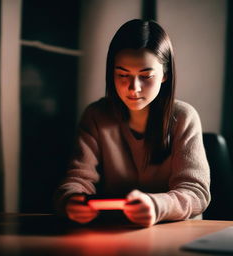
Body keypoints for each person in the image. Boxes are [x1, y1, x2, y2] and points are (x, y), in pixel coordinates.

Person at [55, 19, 210, 227]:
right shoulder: (96, 116)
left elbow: (195, 193)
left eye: (146, 76)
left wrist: (156, 205)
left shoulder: (183, 117)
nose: (133, 88)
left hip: (176, 233)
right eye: (122, 75)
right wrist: (71, 200)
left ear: (165, 75)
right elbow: (77, 179)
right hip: (112, 234)